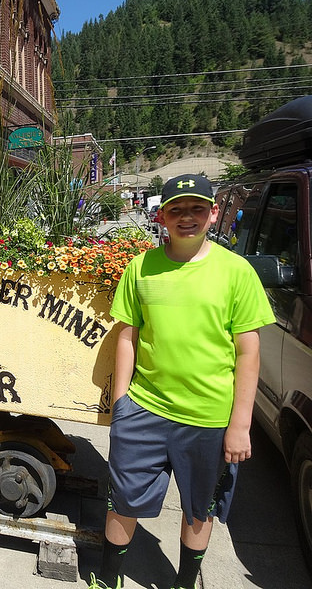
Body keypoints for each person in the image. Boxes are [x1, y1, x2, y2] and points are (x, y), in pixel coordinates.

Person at [89, 174, 275, 589]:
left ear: (213, 213)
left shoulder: (237, 273)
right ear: (162, 216)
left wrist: (240, 425)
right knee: (123, 500)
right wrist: (122, 403)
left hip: (209, 419)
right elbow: (127, 336)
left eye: (196, 208)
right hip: (144, 409)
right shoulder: (141, 268)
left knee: (198, 509)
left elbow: (249, 352)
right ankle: (107, 579)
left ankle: (185, 582)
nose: (185, 218)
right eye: (176, 209)